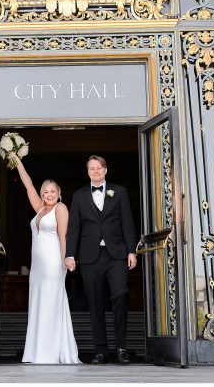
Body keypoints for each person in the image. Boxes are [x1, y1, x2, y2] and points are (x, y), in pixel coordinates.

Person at [64, 156, 137, 365]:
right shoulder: (79, 195)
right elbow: (74, 228)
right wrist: (70, 254)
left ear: (105, 170)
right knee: (95, 303)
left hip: (116, 254)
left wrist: (131, 251)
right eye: (91, 169)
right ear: (87, 172)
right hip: (89, 257)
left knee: (121, 295)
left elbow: (127, 223)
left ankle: (121, 347)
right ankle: (100, 351)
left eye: (98, 168)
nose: (95, 172)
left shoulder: (120, 191)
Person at [12, 154, 81, 364]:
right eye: (46, 191)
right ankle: (37, 352)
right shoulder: (40, 208)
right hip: (38, 268)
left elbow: (63, 236)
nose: (49, 194)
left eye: (53, 191)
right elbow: (28, 184)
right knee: (38, 305)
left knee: (51, 304)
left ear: (59, 193)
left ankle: (50, 353)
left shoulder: (60, 208)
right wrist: (16, 160)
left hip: (53, 265)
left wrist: (66, 259)